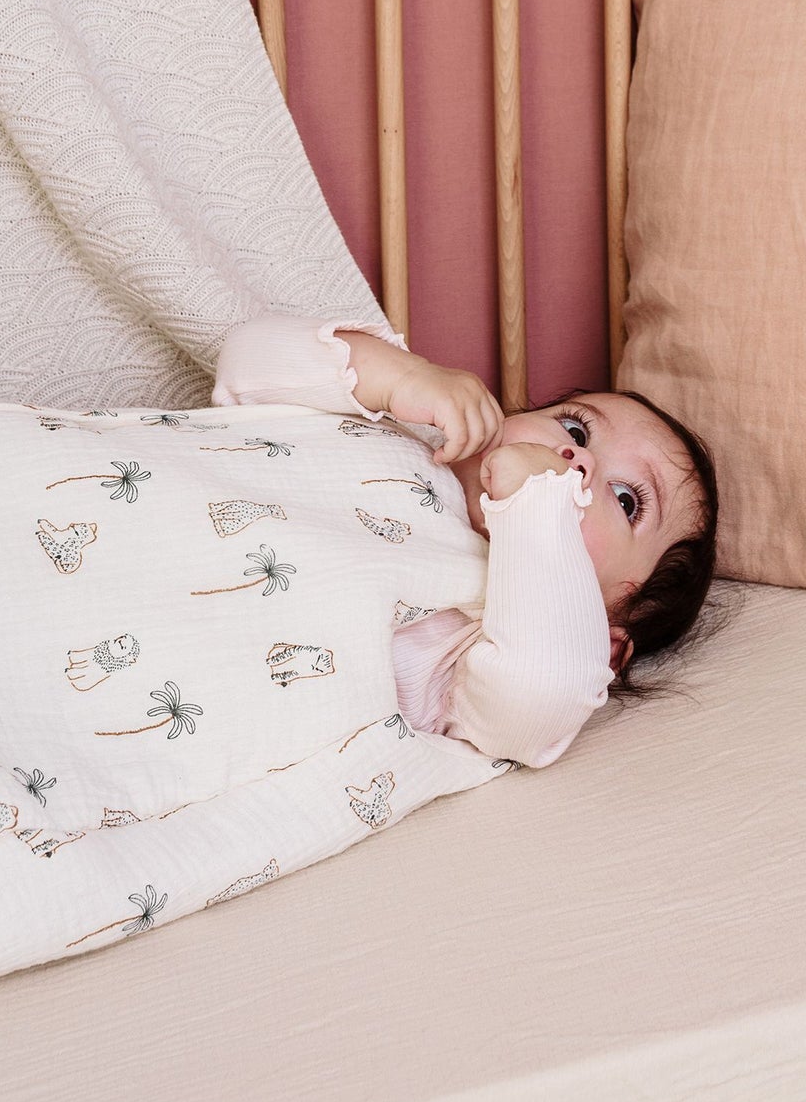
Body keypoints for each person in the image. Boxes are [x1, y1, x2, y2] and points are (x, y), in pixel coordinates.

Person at [214, 314, 719, 769]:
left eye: (627, 500)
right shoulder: (393, 429)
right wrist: (400, 377)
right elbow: (242, 364)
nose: (577, 458)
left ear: (603, 647)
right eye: (576, 429)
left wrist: (536, 505)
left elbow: (542, 698)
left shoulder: (479, 649)